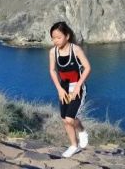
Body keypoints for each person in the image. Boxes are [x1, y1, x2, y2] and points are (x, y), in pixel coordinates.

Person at [48, 22, 92, 158]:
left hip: (77, 87)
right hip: (64, 88)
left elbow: (87, 68)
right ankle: (74, 146)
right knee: (65, 120)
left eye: (58, 37)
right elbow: (52, 70)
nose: (55, 41)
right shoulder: (53, 52)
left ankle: (82, 131)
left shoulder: (76, 49)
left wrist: (79, 85)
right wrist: (59, 89)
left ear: (67, 36)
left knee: (69, 119)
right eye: (53, 38)